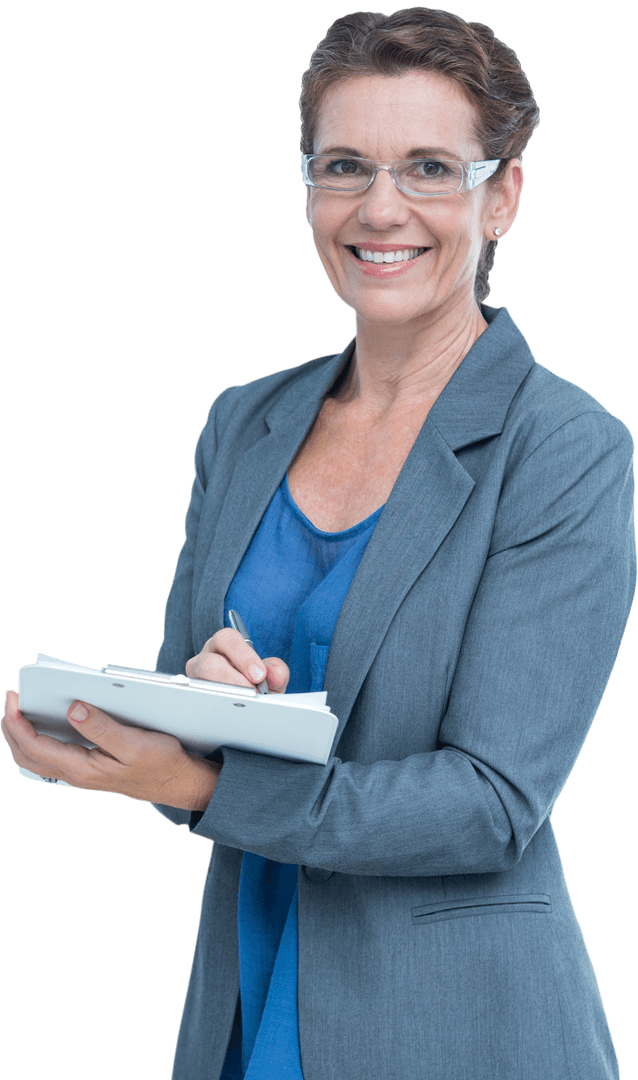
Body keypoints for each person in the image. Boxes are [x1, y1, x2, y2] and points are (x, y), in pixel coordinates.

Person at [2, 8, 635, 1079]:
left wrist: (207, 784)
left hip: (454, 1030)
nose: (379, 208)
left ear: (502, 196)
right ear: (309, 188)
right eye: (344, 166)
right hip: (245, 1003)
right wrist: (197, 704)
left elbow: (490, 804)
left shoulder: (563, 448)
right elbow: (181, 738)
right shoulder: (244, 422)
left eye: (429, 167)